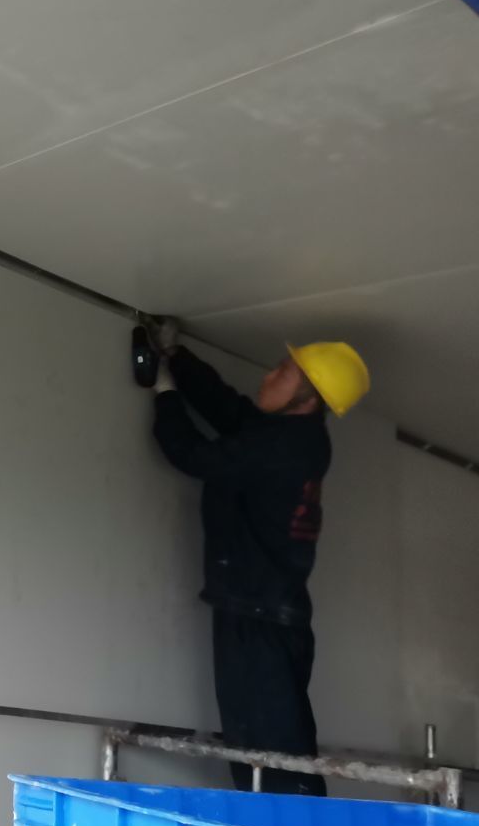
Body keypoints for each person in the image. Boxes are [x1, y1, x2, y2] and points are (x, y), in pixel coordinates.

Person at [143, 321, 370, 795]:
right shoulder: (293, 436)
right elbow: (229, 409)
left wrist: (165, 395)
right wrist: (178, 359)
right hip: (266, 614)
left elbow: (194, 455)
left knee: (268, 757)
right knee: (271, 750)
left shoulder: (283, 446)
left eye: (283, 372)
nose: (269, 376)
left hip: (259, 619)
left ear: (307, 398)